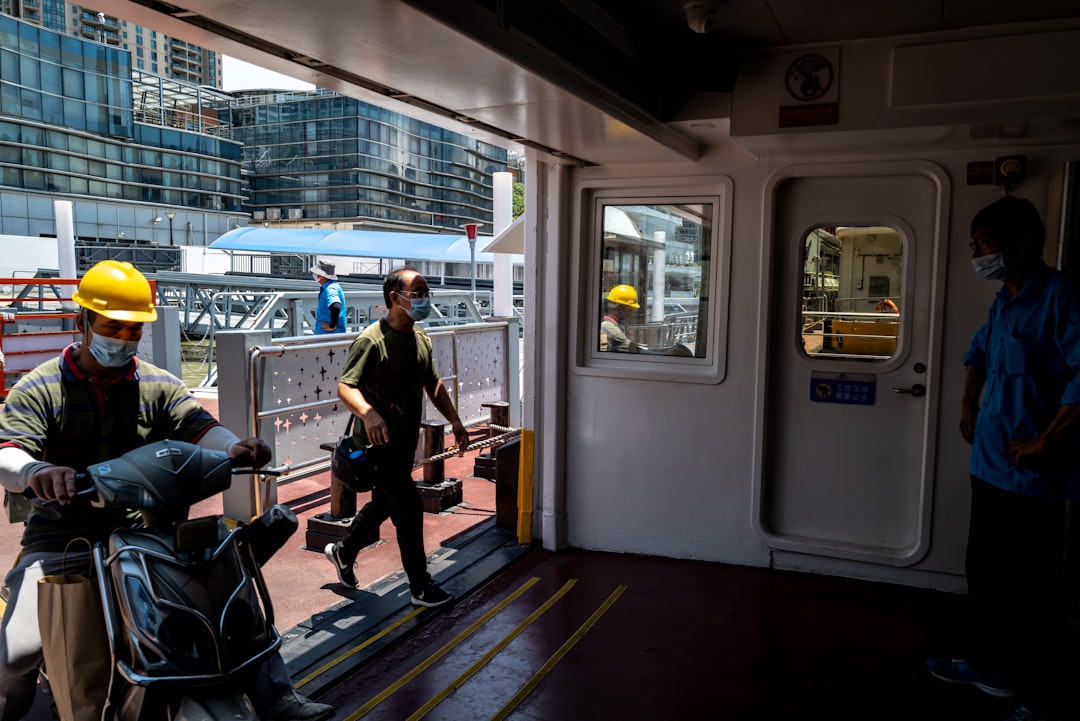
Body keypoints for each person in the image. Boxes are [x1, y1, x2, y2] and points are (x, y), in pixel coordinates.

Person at [0, 260, 333, 721]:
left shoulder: (158, 384)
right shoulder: (40, 387)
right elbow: (8, 449)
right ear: (83, 322)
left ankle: (277, 695)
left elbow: (199, 427)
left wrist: (235, 447)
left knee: (228, 582)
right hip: (63, 538)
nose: (123, 339)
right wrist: (36, 469)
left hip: (148, 533)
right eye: (113, 327)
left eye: (133, 331)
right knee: (17, 652)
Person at [923, 195, 1080, 721]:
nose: (977, 254)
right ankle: (990, 666)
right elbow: (977, 353)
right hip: (988, 466)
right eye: (974, 245)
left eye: (984, 244)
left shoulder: (1061, 296)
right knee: (986, 573)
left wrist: (1046, 441)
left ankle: (1038, 690)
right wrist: (969, 401)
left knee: (1031, 587)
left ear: (1024, 243)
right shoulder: (1003, 299)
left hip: (1032, 476)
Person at [323, 268, 468, 607]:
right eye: (417, 292)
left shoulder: (421, 339)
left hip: (403, 444)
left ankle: (343, 552)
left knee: (386, 502)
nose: (423, 299)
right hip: (376, 447)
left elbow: (432, 384)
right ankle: (420, 586)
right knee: (409, 505)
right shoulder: (371, 340)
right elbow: (346, 386)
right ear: (395, 297)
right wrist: (367, 412)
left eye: (425, 292)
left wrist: (456, 421)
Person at [599, 284, 641, 353]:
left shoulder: (612, 325)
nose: (631, 314)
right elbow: (634, 350)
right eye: (629, 310)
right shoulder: (609, 328)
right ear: (619, 308)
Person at [311, 259, 346, 334]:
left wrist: (331, 326)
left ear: (321, 275)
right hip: (333, 337)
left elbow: (336, 306)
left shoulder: (329, 289)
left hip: (329, 337)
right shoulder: (334, 286)